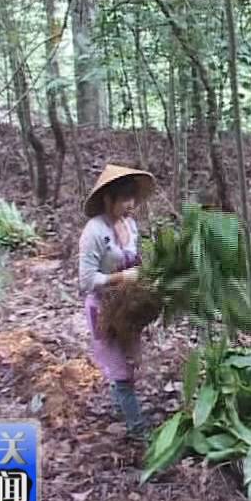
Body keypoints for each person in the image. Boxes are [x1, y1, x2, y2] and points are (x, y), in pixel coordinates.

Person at [78, 164, 156, 442]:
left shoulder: (130, 225)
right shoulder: (94, 232)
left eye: (132, 198)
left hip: (128, 308)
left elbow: (138, 260)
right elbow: (86, 280)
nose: (130, 205)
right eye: (124, 199)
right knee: (121, 372)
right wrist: (120, 276)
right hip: (104, 311)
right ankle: (137, 429)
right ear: (108, 199)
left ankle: (120, 408)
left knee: (130, 362)